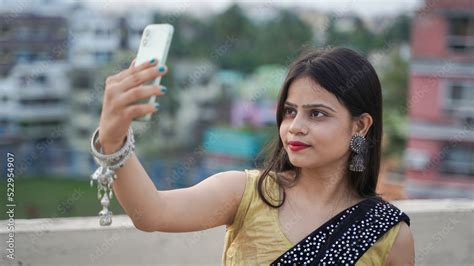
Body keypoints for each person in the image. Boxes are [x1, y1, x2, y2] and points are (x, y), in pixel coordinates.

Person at [92, 47, 414, 265]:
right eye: (290, 112)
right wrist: (113, 138)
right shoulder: (247, 194)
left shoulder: (387, 233)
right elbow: (152, 213)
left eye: (317, 114)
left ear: (359, 126)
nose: (294, 127)